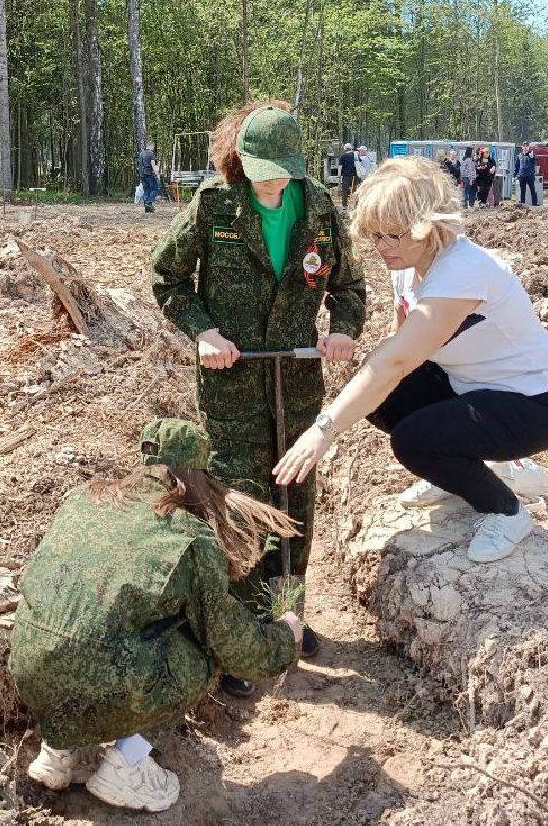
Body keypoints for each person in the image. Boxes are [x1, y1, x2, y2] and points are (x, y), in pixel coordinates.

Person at [151, 101, 366, 696]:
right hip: (233, 382)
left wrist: (343, 329)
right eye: (261, 172)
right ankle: (242, 635)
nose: (272, 184)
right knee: (240, 502)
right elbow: (168, 278)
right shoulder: (213, 206)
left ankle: (288, 614)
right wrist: (204, 332)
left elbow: (349, 286)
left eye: (281, 173)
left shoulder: (320, 209)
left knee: (296, 500)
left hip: (296, 381)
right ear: (239, 161)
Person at [272, 156, 548, 564]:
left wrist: (323, 430)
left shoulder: (462, 271)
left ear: (429, 226)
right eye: (376, 235)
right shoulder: (408, 263)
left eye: (394, 235)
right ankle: (464, 471)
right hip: (471, 386)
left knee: (415, 441)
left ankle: (506, 511)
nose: (382, 247)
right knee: (385, 398)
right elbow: (403, 346)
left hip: (535, 402)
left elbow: (396, 362)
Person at [10, 419, 303, 813]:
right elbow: (231, 642)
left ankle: (59, 750)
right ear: (198, 476)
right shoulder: (188, 534)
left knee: (82, 634)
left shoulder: (82, 499)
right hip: (104, 683)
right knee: (202, 652)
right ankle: (126, 764)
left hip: (29, 671)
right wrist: (284, 636)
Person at [137, 140, 160, 214]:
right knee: (156, 188)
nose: (153, 148)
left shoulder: (141, 153)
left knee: (146, 190)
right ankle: (148, 202)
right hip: (149, 174)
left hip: (142, 175)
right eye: (153, 147)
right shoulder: (151, 153)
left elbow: (139, 165)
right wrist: (157, 175)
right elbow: (153, 165)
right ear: (151, 146)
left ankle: (147, 208)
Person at [337, 142, 358, 209]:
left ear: (345, 149)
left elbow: (340, 167)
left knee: (344, 191)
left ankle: (344, 205)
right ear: (351, 148)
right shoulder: (355, 155)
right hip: (354, 176)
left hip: (346, 176)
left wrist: (339, 176)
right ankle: (355, 205)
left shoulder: (342, 156)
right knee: (355, 191)